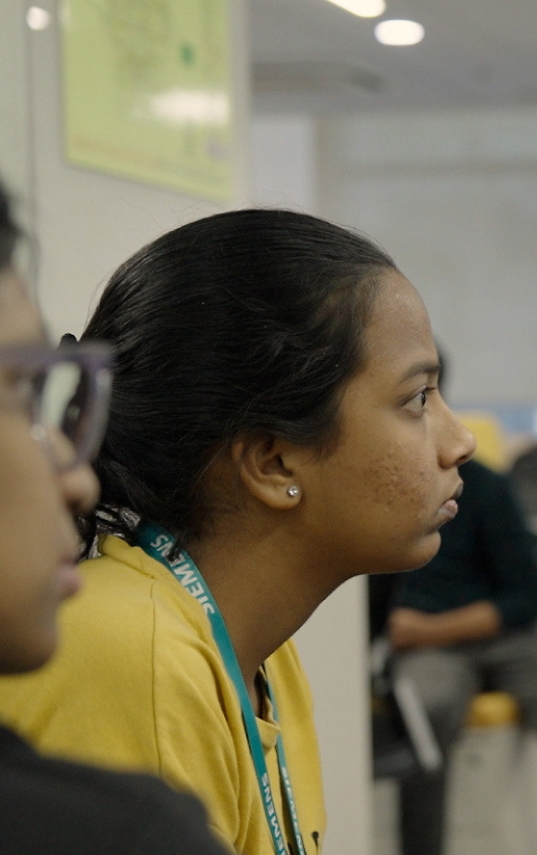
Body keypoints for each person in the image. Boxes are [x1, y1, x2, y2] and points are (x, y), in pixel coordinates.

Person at [0, 208, 478, 855]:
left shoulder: (256, 650)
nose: (461, 440)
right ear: (274, 460)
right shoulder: (133, 655)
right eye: (417, 399)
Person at [0, 182, 233, 854]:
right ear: (270, 458)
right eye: (21, 391)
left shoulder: (268, 660)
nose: (75, 478)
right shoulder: (121, 833)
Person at [386, 359, 537, 855]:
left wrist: (427, 630)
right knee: (424, 723)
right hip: (431, 651)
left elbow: (526, 596)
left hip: (496, 636)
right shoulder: (381, 485)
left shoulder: (485, 487)